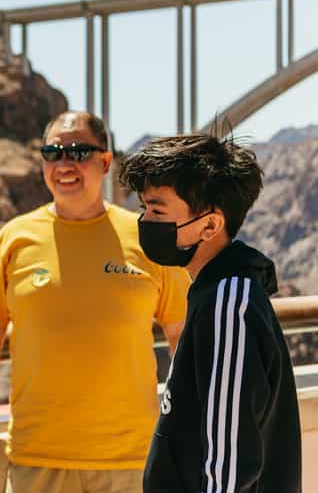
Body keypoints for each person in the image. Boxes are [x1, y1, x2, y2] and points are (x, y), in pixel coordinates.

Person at [0, 111, 191, 493]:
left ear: (105, 161)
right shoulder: (14, 238)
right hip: (39, 460)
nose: (64, 163)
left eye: (78, 151)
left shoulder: (146, 237)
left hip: (132, 461)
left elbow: (182, 336)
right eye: (53, 152)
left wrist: (186, 424)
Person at [120, 134, 301, 493]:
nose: (145, 221)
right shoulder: (214, 292)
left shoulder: (228, 303)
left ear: (209, 225)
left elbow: (229, 462)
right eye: (144, 209)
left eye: (157, 211)